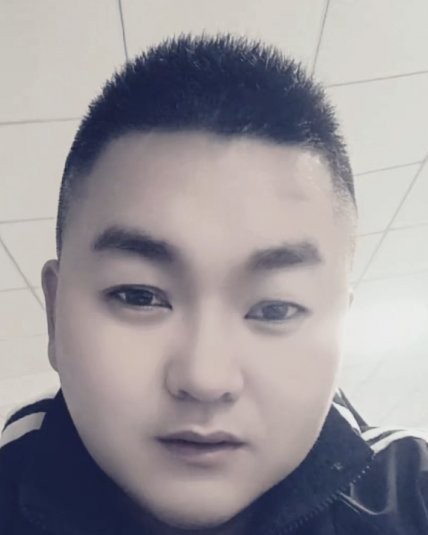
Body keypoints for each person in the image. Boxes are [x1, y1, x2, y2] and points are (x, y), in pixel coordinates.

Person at [1, 34, 427, 535]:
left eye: (275, 309)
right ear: (54, 316)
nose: (206, 379)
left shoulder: (411, 497)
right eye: (140, 296)